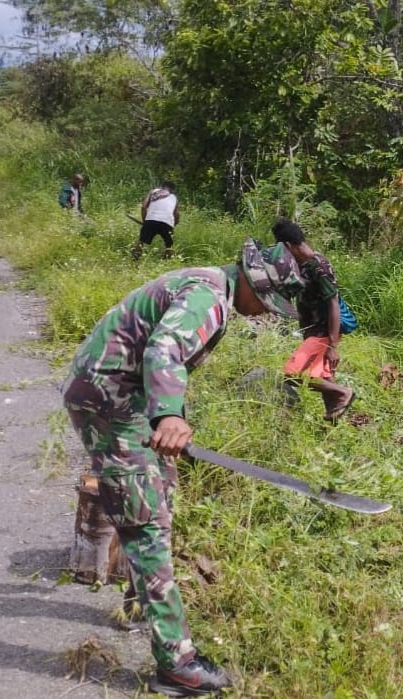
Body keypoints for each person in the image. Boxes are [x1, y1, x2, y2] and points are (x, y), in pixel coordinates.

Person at [61, 238, 305, 696]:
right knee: (146, 519)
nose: (268, 311)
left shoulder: (213, 287)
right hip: (108, 401)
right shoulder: (208, 296)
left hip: (124, 397)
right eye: (269, 301)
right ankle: (176, 663)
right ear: (251, 283)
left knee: (162, 491)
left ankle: (140, 601)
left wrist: (169, 417)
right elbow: (162, 350)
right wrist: (168, 414)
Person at [271, 218, 356, 422]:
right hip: (312, 330)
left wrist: (333, 345)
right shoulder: (302, 265)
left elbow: (333, 302)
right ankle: (332, 422)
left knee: (294, 374)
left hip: (323, 331)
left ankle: (344, 393)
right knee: (325, 378)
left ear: (289, 246)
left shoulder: (319, 266)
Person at [133, 181, 181, 260]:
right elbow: (176, 215)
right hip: (167, 223)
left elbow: (143, 207)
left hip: (150, 221)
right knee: (169, 246)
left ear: (161, 187)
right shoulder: (174, 197)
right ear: (172, 190)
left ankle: (134, 261)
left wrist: (145, 221)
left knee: (141, 242)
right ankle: (168, 264)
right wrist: (173, 225)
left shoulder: (153, 192)